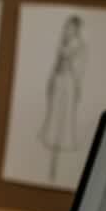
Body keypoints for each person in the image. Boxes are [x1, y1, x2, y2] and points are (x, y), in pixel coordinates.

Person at [39, 15, 86, 182]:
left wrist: (68, 57)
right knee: (54, 117)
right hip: (59, 82)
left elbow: (78, 70)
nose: (67, 30)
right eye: (67, 27)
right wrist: (51, 79)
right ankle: (51, 169)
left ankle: (55, 170)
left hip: (68, 84)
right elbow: (56, 64)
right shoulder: (64, 43)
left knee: (63, 119)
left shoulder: (79, 45)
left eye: (71, 28)